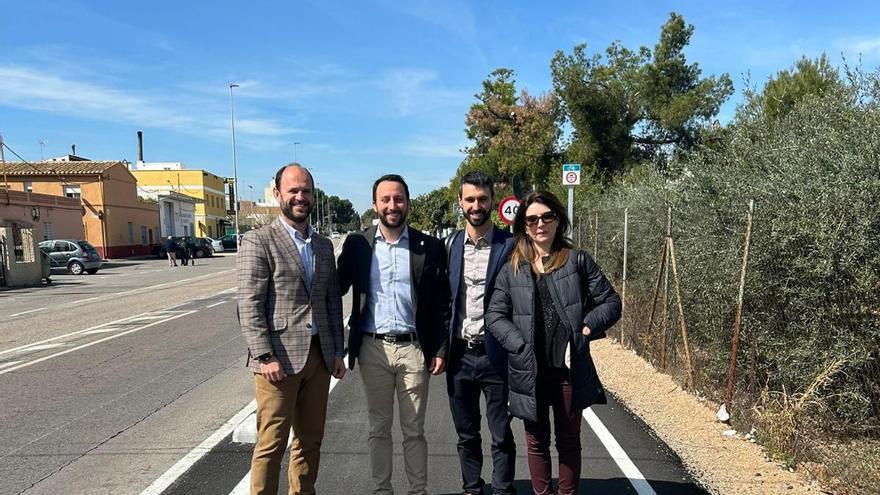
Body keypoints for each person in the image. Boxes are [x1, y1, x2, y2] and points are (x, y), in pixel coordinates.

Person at [486, 190, 622, 495]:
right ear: (523, 225)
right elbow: (494, 315)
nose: (540, 224)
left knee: (569, 441)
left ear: (558, 220)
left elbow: (611, 303)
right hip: (528, 371)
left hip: (568, 371)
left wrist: (587, 327)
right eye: (532, 219)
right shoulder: (513, 268)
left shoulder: (577, 261)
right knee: (536, 443)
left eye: (547, 216)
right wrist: (518, 345)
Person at [237, 163, 347, 495]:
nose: (300, 197)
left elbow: (331, 301)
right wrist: (265, 354)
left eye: (306, 191)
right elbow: (249, 304)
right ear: (277, 194)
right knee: (271, 445)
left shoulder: (324, 246)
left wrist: (337, 352)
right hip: (277, 364)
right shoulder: (258, 241)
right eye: (293, 191)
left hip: (319, 357)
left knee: (310, 441)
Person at [337, 174, 450, 495]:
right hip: (373, 349)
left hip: (414, 350)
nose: (392, 205)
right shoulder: (358, 244)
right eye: (385, 199)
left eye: (398, 199)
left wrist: (440, 348)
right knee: (379, 428)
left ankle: (418, 490)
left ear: (408, 203)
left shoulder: (429, 247)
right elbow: (334, 286)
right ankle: (381, 490)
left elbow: (442, 301)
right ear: (375, 204)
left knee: (414, 430)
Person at [444, 172, 516, 495]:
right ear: (460, 202)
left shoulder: (510, 246)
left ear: (492, 202)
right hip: (459, 355)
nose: (476, 205)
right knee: (467, 433)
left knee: (500, 432)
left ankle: (502, 489)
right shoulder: (449, 245)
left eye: (482, 199)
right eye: (470, 199)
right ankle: (472, 487)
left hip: (496, 355)